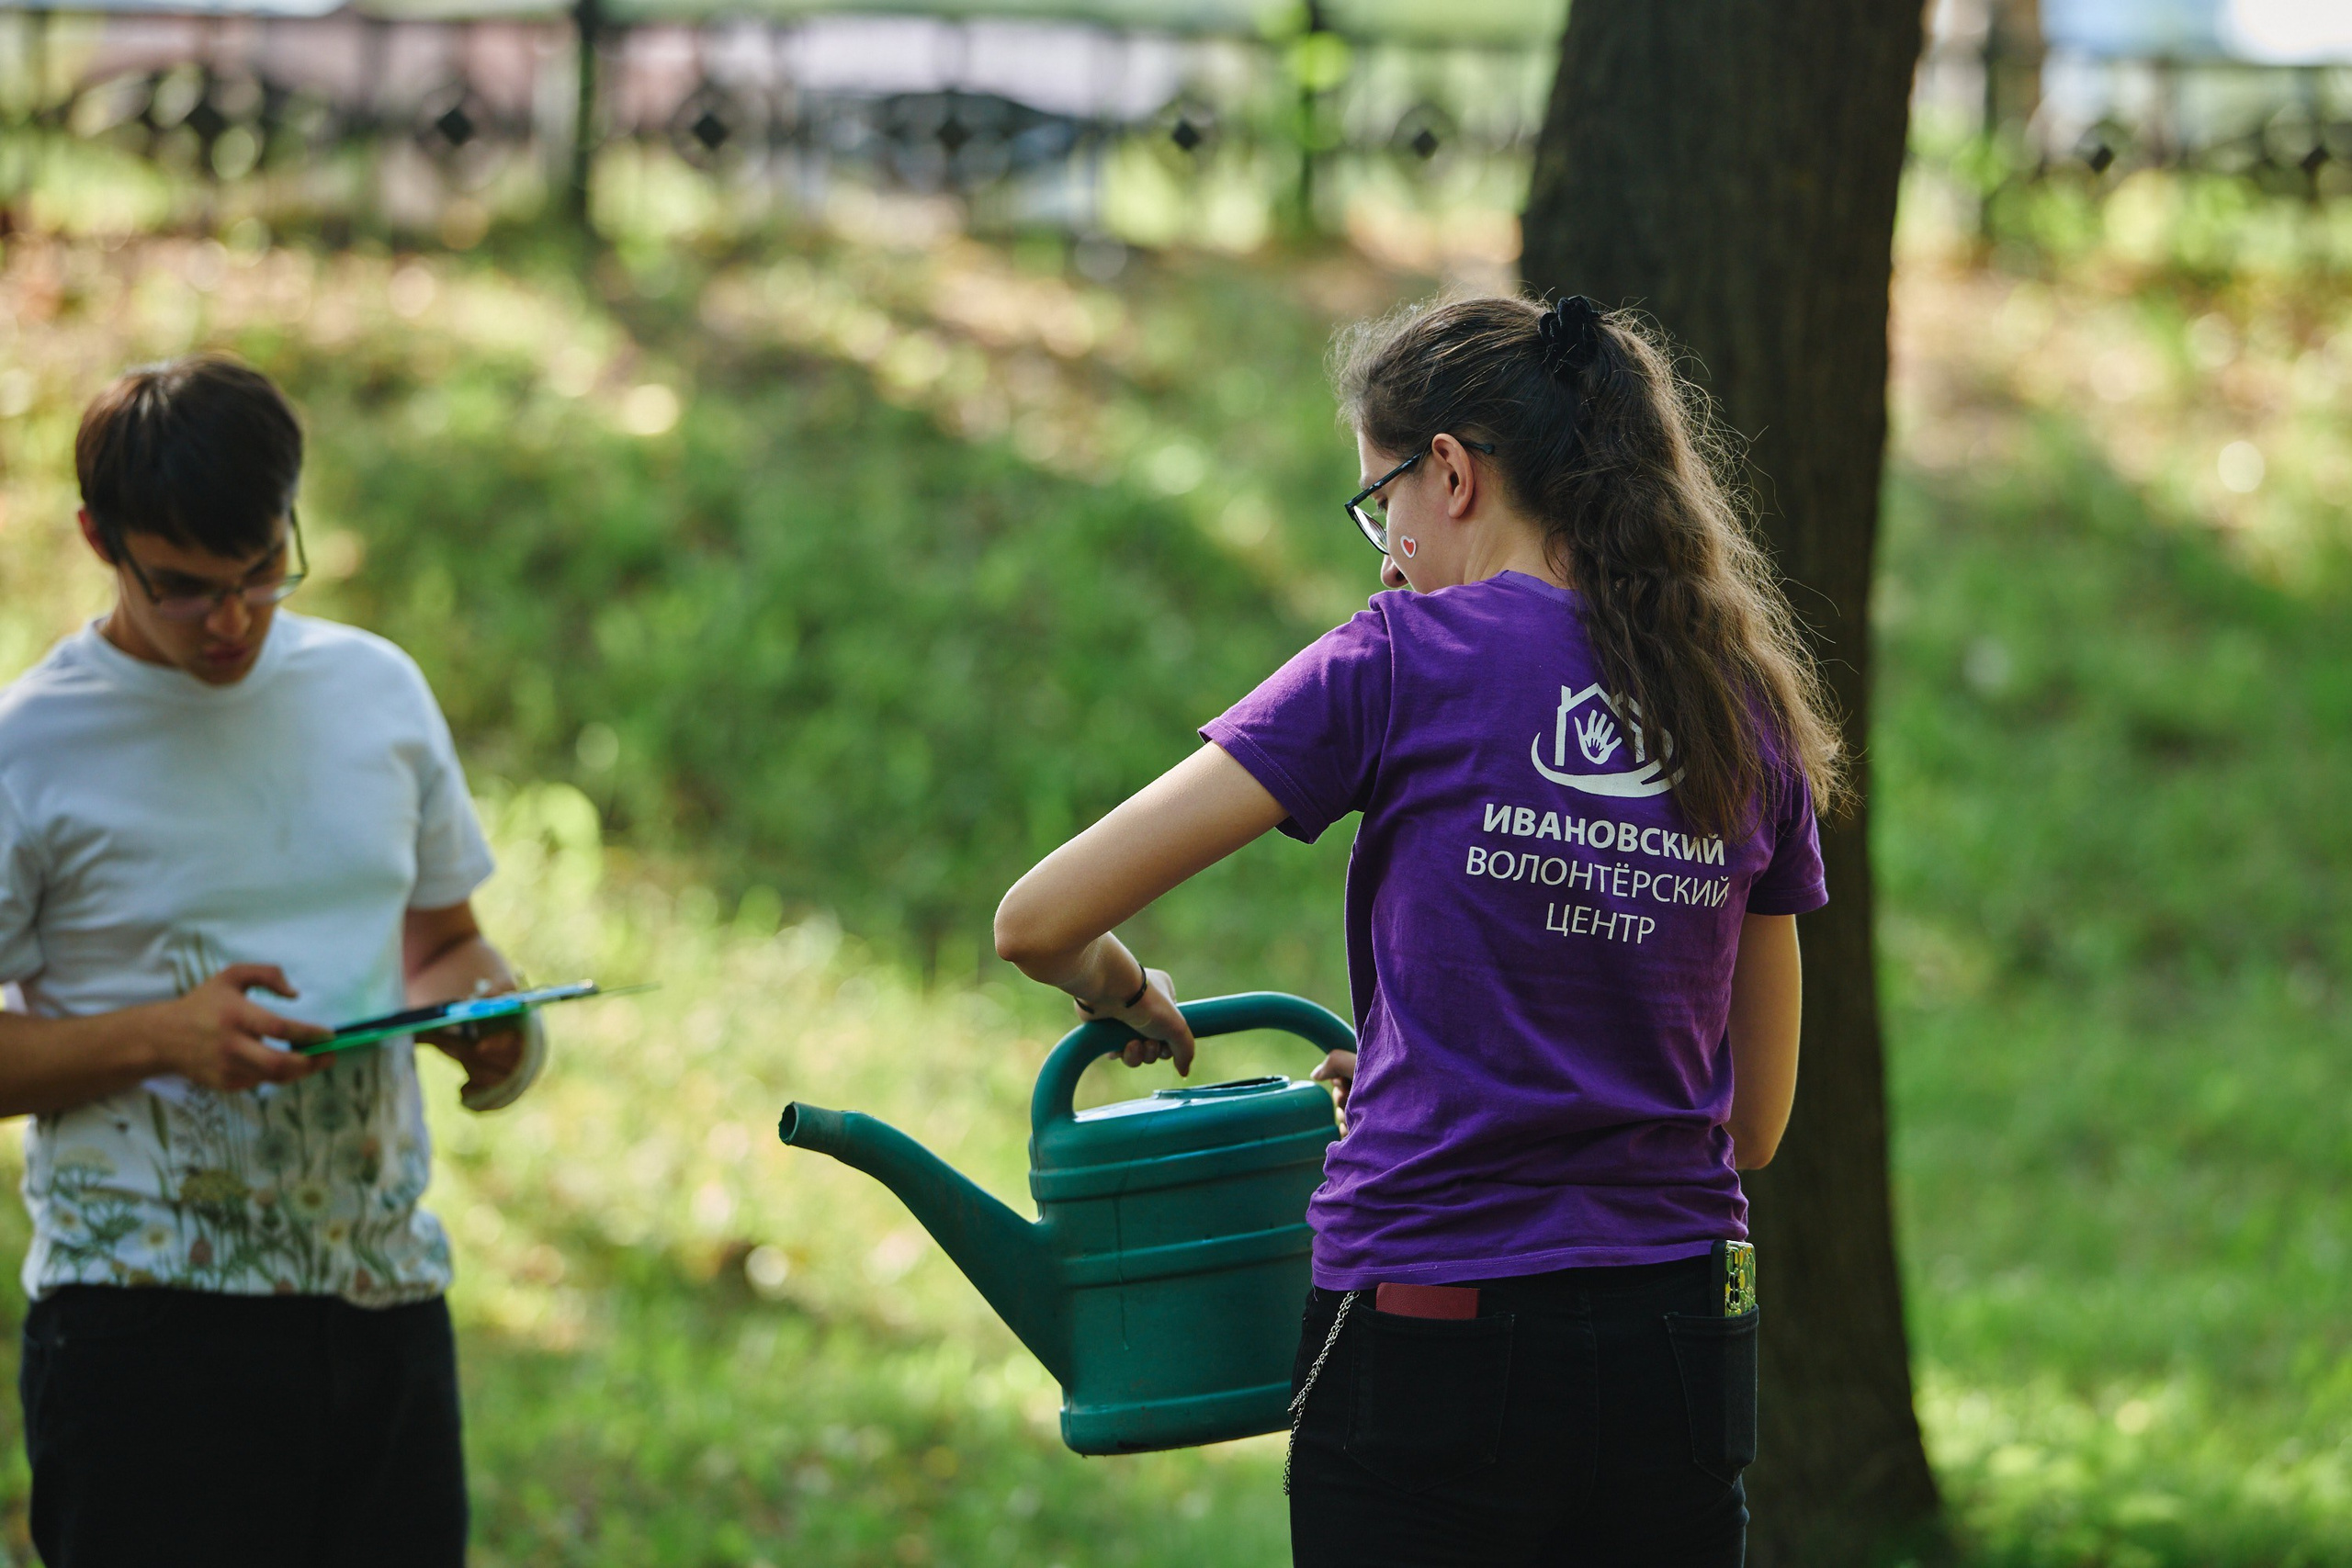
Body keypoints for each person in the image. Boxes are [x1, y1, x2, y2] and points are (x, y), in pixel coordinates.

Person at [993, 294, 1841, 1566]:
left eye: (1377, 502)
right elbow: (1752, 1120)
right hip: (1677, 1342)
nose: (1383, 551)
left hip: (1430, 1323)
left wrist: (1117, 987)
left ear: (1448, 469)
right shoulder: (1740, 712)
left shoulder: (1399, 659)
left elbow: (1038, 919)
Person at [0, 354, 545, 1567]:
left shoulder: (376, 692)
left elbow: (445, 941)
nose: (233, 619)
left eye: (261, 573)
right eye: (185, 588)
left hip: (383, 1296)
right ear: (100, 539)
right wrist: (162, 1036)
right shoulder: (31, 746)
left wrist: (486, 1018)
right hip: (139, 1325)